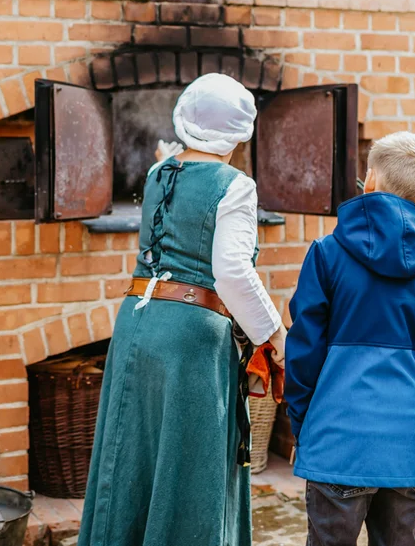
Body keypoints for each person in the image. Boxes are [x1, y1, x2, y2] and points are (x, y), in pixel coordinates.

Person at [77, 74, 286, 546]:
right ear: (238, 135)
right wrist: (274, 334)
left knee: (132, 452)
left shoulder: (158, 173)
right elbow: (231, 271)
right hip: (190, 336)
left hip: (136, 323)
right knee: (188, 464)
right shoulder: (236, 186)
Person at [285, 131, 415, 546]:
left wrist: (304, 422)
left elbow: (303, 352)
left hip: (336, 438)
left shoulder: (326, 254)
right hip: (404, 441)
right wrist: (414, 412)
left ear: (370, 181)